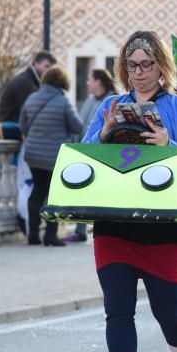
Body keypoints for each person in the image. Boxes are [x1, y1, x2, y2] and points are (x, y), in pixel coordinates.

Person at [82, 30, 177, 352]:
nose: (138, 73)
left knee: (169, 311)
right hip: (114, 222)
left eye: (146, 65)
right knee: (117, 311)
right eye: (131, 65)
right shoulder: (109, 104)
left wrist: (169, 144)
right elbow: (80, 158)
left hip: (165, 225)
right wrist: (103, 134)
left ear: (161, 68)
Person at [18, 65, 83, 247]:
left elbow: (23, 126)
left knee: (37, 192)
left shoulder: (32, 98)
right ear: (63, 82)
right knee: (53, 195)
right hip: (54, 156)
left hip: (33, 155)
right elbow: (77, 126)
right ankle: (51, 235)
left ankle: (33, 234)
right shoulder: (63, 102)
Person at [64, 68, 117, 243]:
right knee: (82, 188)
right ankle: (80, 230)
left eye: (90, 80)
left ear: (99, 81)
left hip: (109, 154)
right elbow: (81, 125)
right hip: (88, 150)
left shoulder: (113, 100)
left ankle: (110, 228)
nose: (87, 83)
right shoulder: (89, 100)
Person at [0, 50, 58, 138]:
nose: (48, 71)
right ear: (36, 63)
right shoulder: (26, 83)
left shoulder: (29, 81)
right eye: (46, 66)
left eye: (51, 68)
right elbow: (30, 113)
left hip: (12, 128)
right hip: (12, 129)